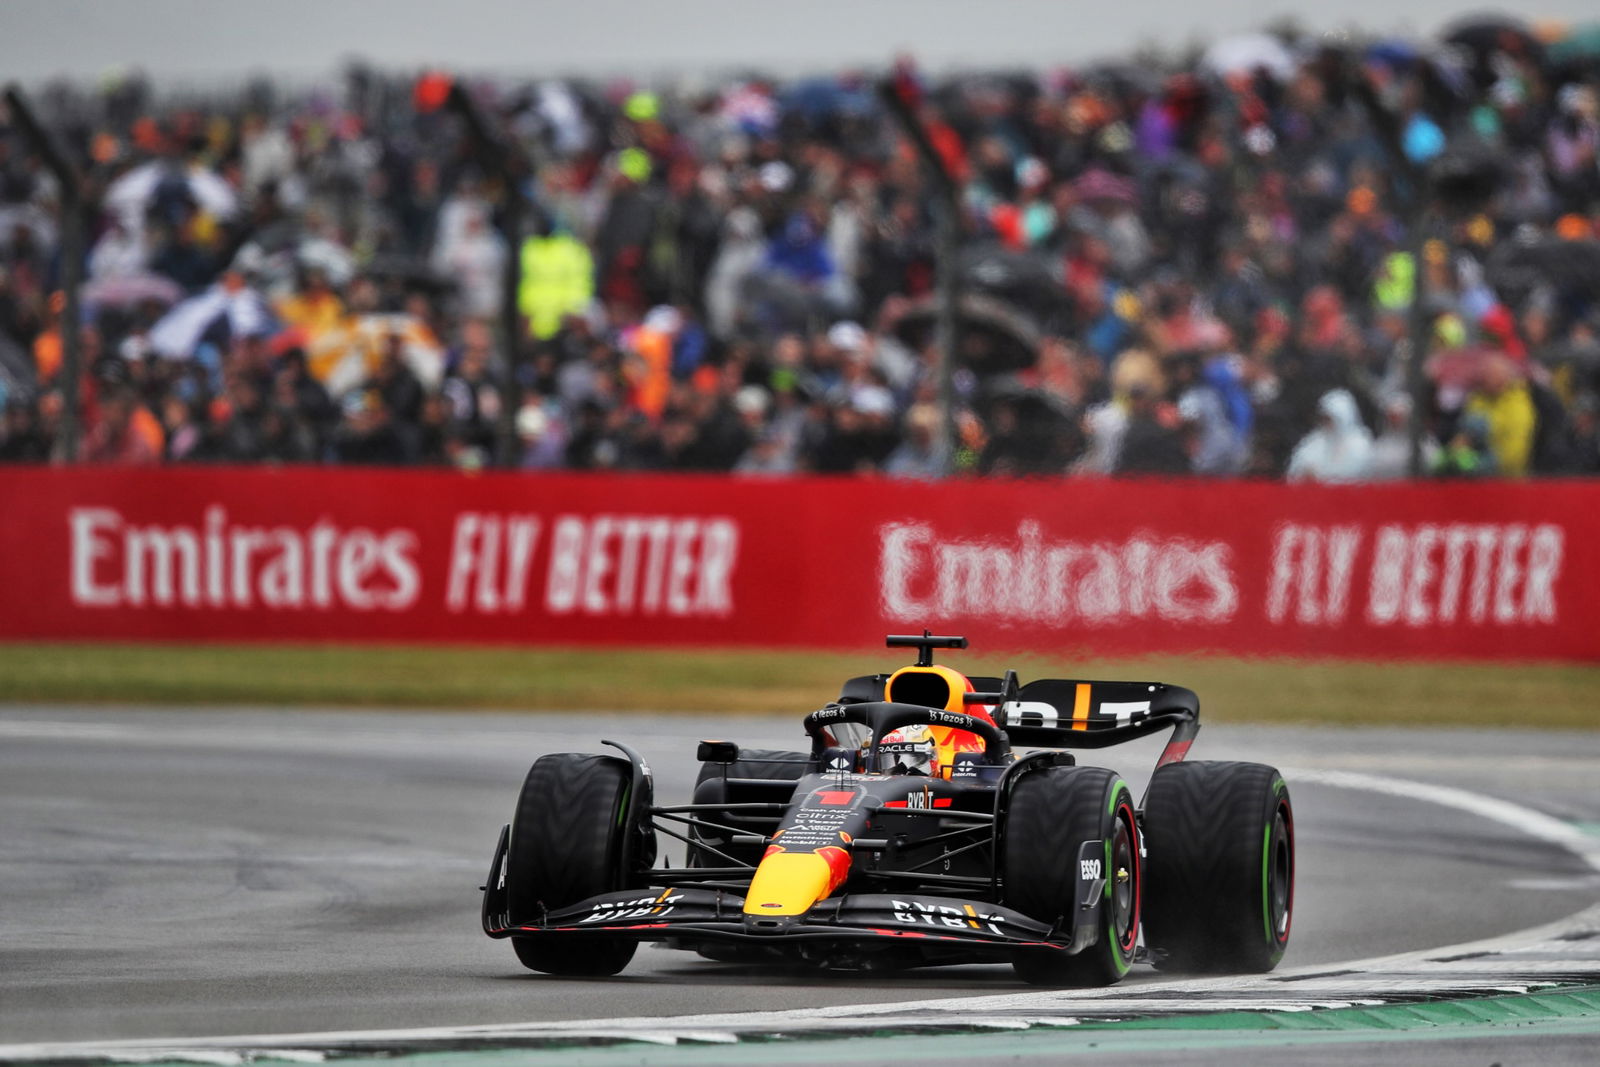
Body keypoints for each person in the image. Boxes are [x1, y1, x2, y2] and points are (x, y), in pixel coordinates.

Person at [1286, 389, 1374, 483]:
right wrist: (1304, 472)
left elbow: (1355, 473)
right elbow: (1297, 466)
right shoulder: (1315, 441)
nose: (1326, 423)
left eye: (1330, 419)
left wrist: (1321, 477)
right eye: (1324, 418)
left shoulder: (1360, 443)